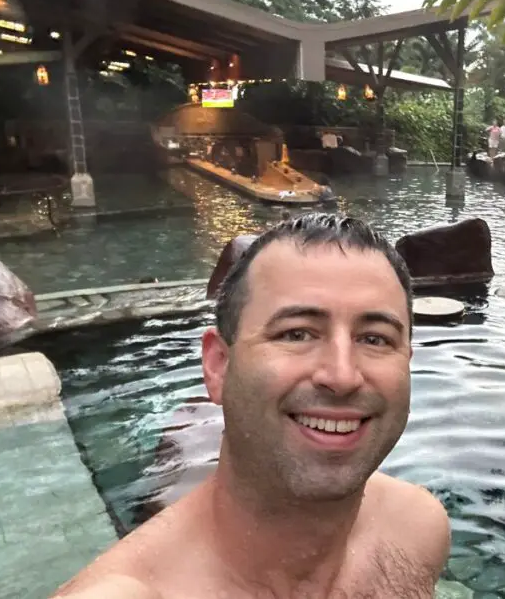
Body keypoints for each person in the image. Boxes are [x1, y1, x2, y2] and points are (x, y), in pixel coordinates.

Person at [53, 214, 451, 599]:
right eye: (296, 333)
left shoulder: (417, 531)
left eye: (376, 339)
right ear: (218, 367)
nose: (342, 375)